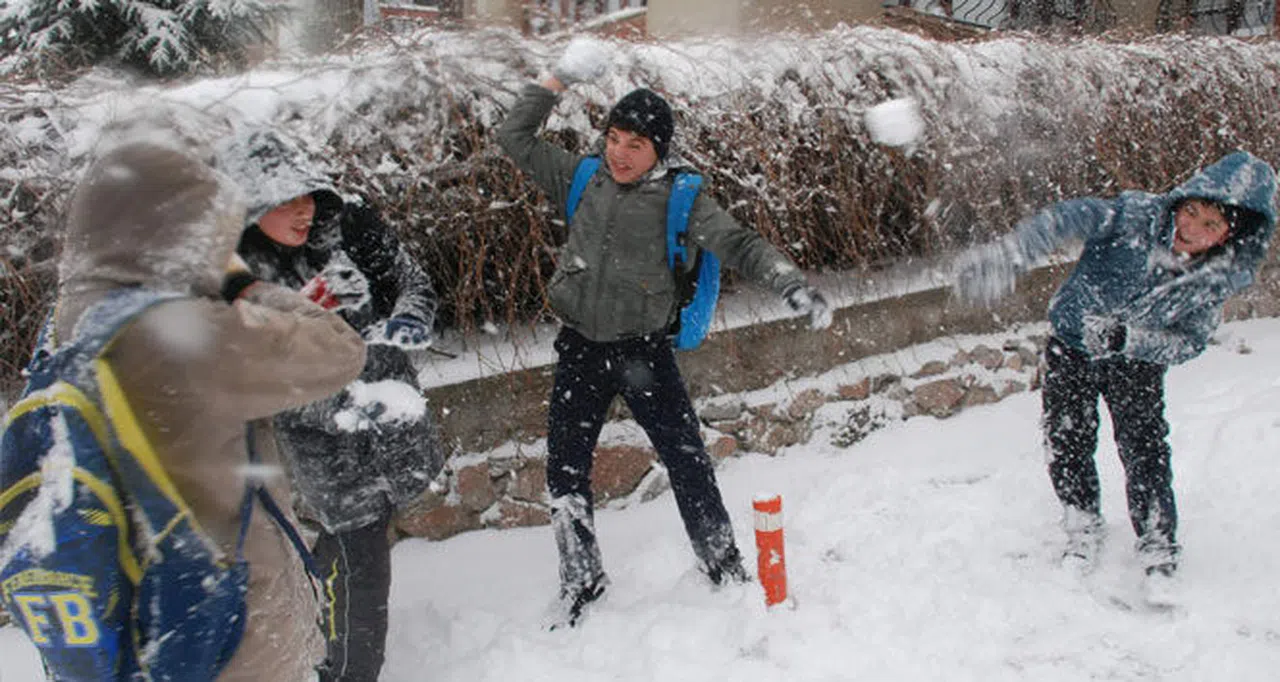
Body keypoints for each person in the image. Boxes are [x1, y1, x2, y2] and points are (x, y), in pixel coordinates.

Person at [496, 38, 833, 628]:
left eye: (637, 145)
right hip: (579, 348)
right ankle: (581, 580)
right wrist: (556, 80)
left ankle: (721, 563)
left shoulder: (682, 199)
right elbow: (514, 138)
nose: (620, 154)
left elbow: (741, 243)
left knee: (687, 460)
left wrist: (790, 284)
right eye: (614, 140)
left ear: (659, 150)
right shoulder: (582, 179)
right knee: (566, 471)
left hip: (644, 352)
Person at [54, 120, 366, 680]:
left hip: (125, 613)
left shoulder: (70, 323)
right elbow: (340, 350)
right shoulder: (185, 332)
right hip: (229, 625)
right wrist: (242, 285)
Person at [952, 150, 1277, 601]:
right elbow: (1072, 216)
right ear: (1181, 201)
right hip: (1073, 346)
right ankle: (1082, 526)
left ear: (1229, 236)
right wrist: (1015, 252)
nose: (1191, 229)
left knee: (1144, 451)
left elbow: (1189, 343)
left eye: (1210, 227)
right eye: (1191, 211)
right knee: (1068, 439)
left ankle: (1158, 545)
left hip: (1135, 365)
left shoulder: (1213, 282)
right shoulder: (1135, 217)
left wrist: (1130, 339)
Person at [217, 129, 443, 682]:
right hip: (322, 438)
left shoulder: (348, 225)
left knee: (359, 538)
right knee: (362, 549)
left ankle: (317, 628)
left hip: (390, 415)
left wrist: (411, 316)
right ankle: (346, 671)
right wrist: (343, 406)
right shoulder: (235, 276)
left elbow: (413, 281)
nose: (302, 211)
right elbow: (256, 378)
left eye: (308, 196)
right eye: (285, 200)